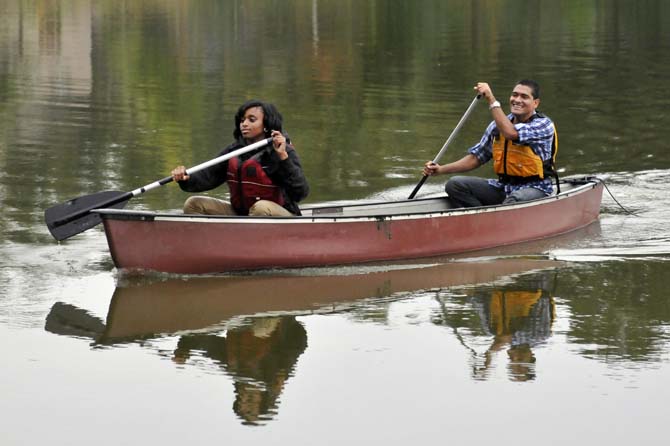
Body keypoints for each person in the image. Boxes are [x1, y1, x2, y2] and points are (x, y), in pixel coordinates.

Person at [423, 80, 558, 208]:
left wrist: (491, 100)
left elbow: (511, 134)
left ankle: (495, 223)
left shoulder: (543, 125)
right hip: (503, 186)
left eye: (524, 97)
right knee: (455, 185)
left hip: (535, 188)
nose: (517, 100)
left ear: (535, 103)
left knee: (516, 198)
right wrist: (440, 170)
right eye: (514, 95)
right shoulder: (496, 126)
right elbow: (477, 158)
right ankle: (478, 219)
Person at [171, 100, 309, 216]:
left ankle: (255, 245)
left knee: (260, 208)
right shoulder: (235, 150)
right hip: (241, 215)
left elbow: (300, 192)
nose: (244, 124)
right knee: (194, 204)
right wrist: (187, 178)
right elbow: (209, 177)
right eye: (242, 120)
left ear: (266, 125)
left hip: (280, 215)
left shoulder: (281, 150)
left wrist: (283, 157)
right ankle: (207, 244)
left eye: (251, 120)